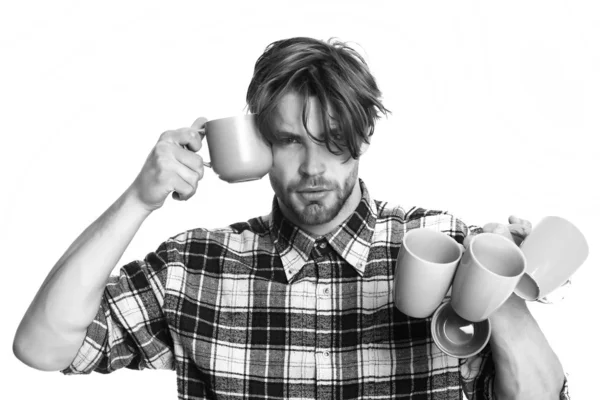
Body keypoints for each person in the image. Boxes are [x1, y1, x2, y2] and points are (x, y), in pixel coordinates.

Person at [13, 37, 568, 399]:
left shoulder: (441, 243)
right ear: (257, 145)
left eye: (333, 142)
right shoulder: (196, 266)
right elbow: (42, 347)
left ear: (365, 135)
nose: (312, 168)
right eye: (289, 142)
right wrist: (140, 198)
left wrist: (505, 293)